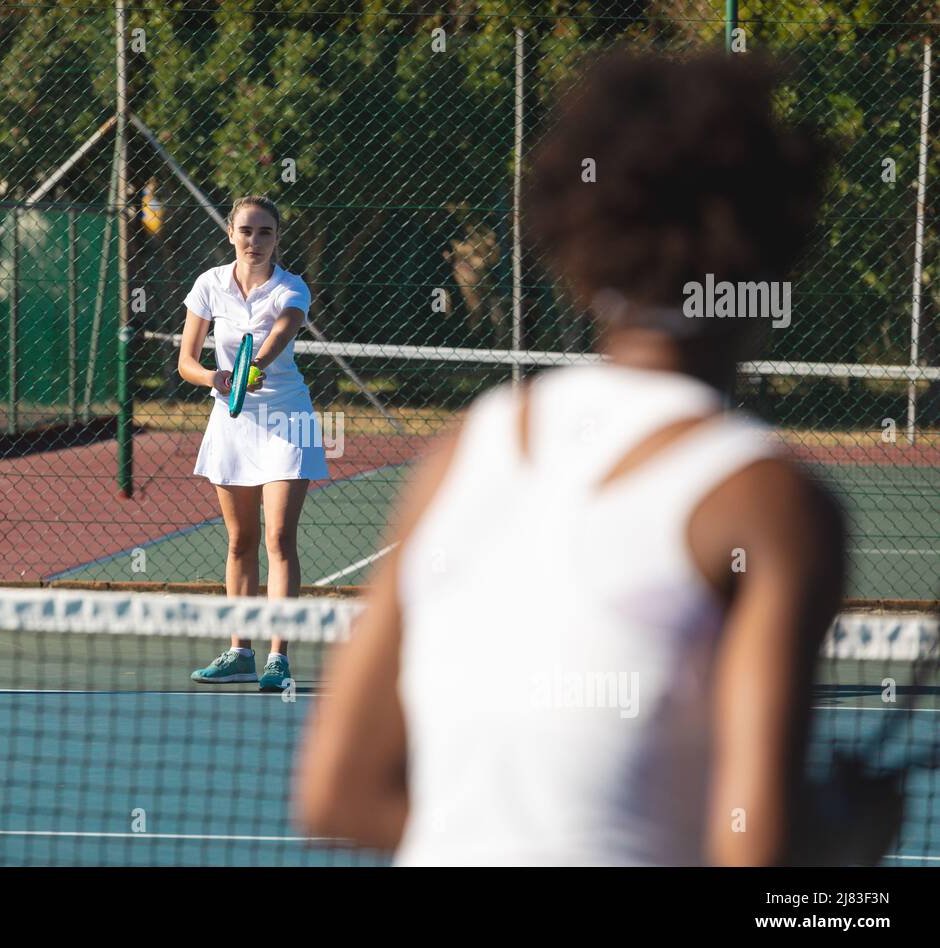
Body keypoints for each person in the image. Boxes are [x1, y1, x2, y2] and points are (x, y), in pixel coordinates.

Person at [294, 51, 886, 865]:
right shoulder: (771, 503)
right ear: (775, 252)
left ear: (581, 248)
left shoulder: (466, 448)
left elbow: (337, 793)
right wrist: (849, 851)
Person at [178, 195, 328, 691]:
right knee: (240, 540)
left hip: (291, 419)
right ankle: (240, 651)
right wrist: (218, 379)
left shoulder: (292, 287)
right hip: (232, 421)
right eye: (247, 231)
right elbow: (186, 363)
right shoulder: (208, 285)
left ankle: (278, 658)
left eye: (265, 232)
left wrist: (254, 365)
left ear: (277, 238)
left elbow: (285, 328)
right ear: (230, 234)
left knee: (279, 537)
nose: (255, 241)